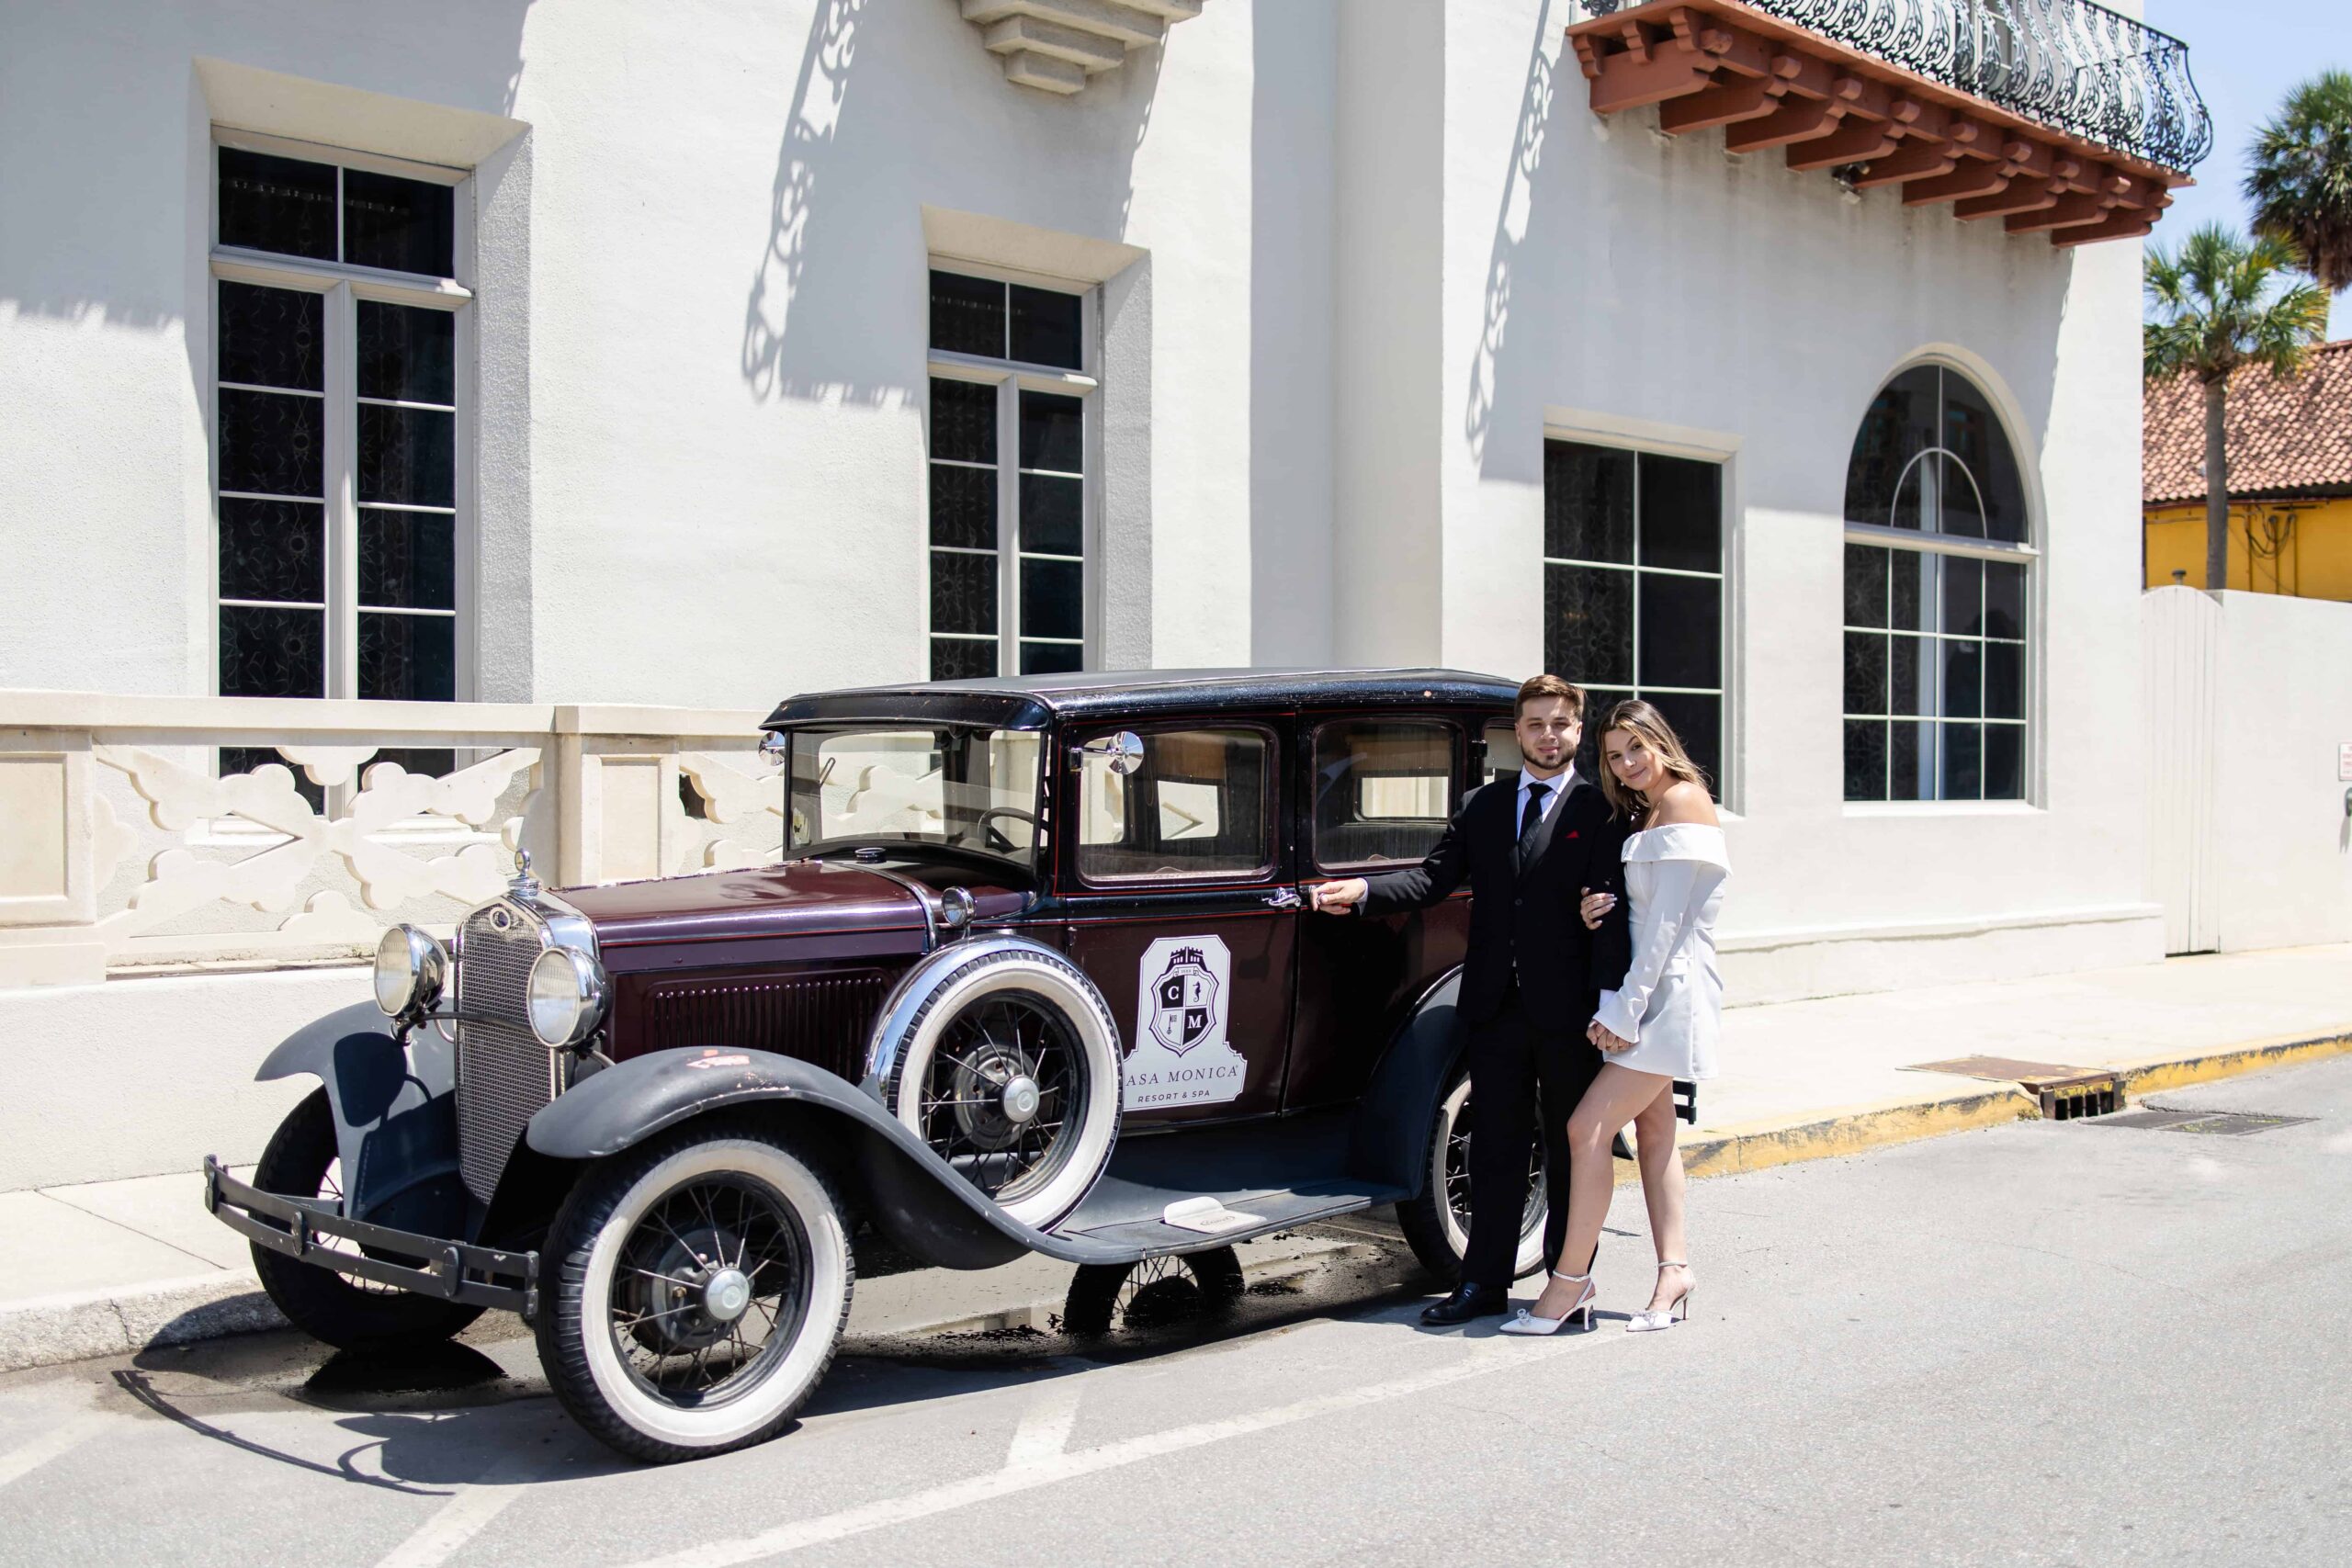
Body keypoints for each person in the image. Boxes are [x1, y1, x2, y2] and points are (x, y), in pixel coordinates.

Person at [1310, 674, 1629, 1325]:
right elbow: (1432, 879)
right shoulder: (1483, 804)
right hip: (1492, 1004)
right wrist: (1364, 892)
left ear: (1578, 730)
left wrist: (1613, 1000)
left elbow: (1617, 907)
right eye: (1536, 724)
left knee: (1572, 1148)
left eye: (1560, 724)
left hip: (1571, 1012)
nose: (1548, 735)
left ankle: (1568, 1282)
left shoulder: (1600, 811)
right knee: (1494, 1148)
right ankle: (1482, 1283)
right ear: (1518, 732)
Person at [1501, 698, 1728, 1336]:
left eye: (1636, 748)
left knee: (1585, 1129)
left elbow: (1668, 927)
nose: (1628, 763)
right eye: (1615, 755)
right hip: (1643, 994)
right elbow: (1637, 911)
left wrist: (1625, 1012)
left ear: (1661, 741)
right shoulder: (1646, 810)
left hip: (1667, 1000)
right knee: (1655, 1134)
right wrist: (1594, 907)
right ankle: (1674, 1271)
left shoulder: (1683, 800)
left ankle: (1569, 1282)